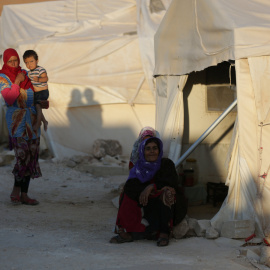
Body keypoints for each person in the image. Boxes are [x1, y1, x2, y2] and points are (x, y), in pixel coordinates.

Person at [110, 137, 187, 247]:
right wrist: (145, 191)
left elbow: (172, 181)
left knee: (167, 193)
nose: (151, 151)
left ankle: (164, 233)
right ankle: (127, 232)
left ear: (159, 150)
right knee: (125, 193)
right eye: (148, 149)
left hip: (162, 205)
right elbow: (131, 186)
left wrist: (152, 187)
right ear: (143, 151)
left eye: (155, 148)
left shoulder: (166, 164)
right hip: (146, 204)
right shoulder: (138, 168)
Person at [0, 48, 43, 205]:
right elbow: (10, 98)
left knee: (32, 156)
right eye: (10, 61)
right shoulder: (3, 78)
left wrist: (41, 116)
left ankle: (24, 194)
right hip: (16, 121)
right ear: (5, 62)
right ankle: (16, 189)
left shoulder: (26, 74)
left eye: (15, 60)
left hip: (32, 120)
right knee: (22, 155)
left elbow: (36, 96)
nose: (13, 63)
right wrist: (17, 81)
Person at [23, 50, 49, 132]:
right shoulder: (29, 73)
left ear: (37, 60)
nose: (29, 64)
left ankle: (38, 123)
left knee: (38, 105)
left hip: (42, 92)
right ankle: (44, 121)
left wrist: (38, 79)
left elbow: (46, 78)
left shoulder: (40, 70)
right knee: (36, 107)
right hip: (36, 93)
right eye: (26, 62)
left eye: (31, 61)